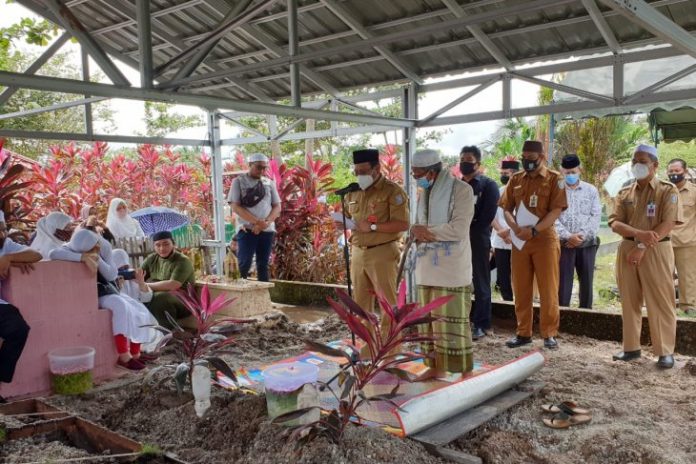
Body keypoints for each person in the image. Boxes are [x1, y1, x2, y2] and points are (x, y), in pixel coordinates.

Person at [609, 144, 682, 369]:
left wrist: (641, 245)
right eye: (634, 161)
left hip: (656, 250)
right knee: (629, 300)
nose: (636, 166)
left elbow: (668, 223)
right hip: (627, 250)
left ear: (654, 165)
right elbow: (615, 222)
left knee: (660, 300)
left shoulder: (667, 190)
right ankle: (631, 348)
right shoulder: (624, 192)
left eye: (642, 161)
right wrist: (637, 234)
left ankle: (665, 352)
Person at [50, 230, 154, 371]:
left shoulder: (103, 246)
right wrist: (82, 257)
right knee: (120, 305)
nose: (93, 250)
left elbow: (111, 274)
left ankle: (135, 354)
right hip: (86, 294)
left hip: (106, 290)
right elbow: (53, 254)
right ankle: (124, 356)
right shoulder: (71, 247)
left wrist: (97, 258)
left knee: (139, 309)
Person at [411, 149, 475, 376]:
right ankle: (435, 368)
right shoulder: (423, 193)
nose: (415, 178)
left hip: (451, 271)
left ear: (432, 171)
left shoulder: (462, 190)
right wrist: (416, 232)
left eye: (418, 174)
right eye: (413, 174)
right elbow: (418, 226)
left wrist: (425, 232)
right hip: (426, 268)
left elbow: (459, 229)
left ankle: (463, 371)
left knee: (452, 324)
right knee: (429, 324)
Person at [499, 140, 567, 350]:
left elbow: (556, 210)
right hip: (520, 239)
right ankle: (523, 332)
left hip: (544, 239)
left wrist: (535, 230)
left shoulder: (556, 179)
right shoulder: (516, 179)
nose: (527, 162)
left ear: (542, 157)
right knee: (520, 287)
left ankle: (549, 333)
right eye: (524, 158)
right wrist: (514, 227)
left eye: (531, 158)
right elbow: (506, 207)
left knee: (548, 288)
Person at [343, 148, 409, 315]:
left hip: (382, 252)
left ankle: (390, 341)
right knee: (360, 303)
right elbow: (347, 216)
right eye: (356, 172)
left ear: (377, 169)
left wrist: (373, 227)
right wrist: (342, 222)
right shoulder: (353, 192)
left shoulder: (392, 191)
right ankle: (366, 340)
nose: (359, 176)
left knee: (387, 303)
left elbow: (403, 224)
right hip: (358, 252)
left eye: (363, 171)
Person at [0, 212, 42, 402]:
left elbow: (36, 255)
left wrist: (10, 259)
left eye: (3, 229)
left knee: (19, 329)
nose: (2, 234)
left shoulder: (5, 245)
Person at [460, 145, 499, 340]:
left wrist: (466, 227)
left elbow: (487, 216)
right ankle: (461, 320)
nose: (464, 164)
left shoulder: (488, 185)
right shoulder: (456, 186)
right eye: (462, 160)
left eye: (468, 160)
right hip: (457, 240)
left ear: (478, 163)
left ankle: (482, 324)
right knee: (459, 281)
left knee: (481, 282)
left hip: (478, 239)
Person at [555, 154, 602, 309]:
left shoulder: (591, 190)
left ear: (579, 170)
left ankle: (587, 316)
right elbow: (552, 217)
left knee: (587, 282)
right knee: (563, 283)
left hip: (586, 244)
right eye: (567, 172)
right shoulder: (556, 190)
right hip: (564, 244)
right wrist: (568, 236)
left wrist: (580, 236)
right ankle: (562, 317)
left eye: (573, 172)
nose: (570, 175)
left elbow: (595, 216)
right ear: (561, 171)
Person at [227, 153, 281, 282]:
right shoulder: (238, 182)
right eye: (258, 167)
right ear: (250, 165)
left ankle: (263, 297)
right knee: (244, 263)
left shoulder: (269, 183)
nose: (262, 171)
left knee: (263, 265)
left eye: (264, 168)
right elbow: (235, 206)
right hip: (247, 230)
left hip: (266, 230)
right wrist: (257, 222)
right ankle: (239, 294)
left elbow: (277, 207)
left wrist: (265, 223)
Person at [141, 230, 195, 327]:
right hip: (159, 299)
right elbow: (139, 275)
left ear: (173, 244)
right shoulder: (151, 259)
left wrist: (145, 285)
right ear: (154, 247)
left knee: (160, 297)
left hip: (184, 302)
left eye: (166, 244)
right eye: (158, 245)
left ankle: (168, 334)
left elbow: (173, 285)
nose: (162, 248)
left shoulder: (182, 261)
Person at [667, 159, 696, 315]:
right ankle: (667, 307)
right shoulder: (663, 191)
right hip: (665, 242)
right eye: (670, 171)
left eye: (676, 171)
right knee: (664, 276)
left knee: (688, 277)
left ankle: (688, 307)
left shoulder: (693, 191)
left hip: (687, 242)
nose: (673, 174)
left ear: (684, 172)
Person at [491, 158, 520, 301]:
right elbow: (491, 215)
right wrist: (501, 231)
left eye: (505, 173)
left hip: (518, 239)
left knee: (519, 274)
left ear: (514, 174)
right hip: (500, 239)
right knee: (503, 276)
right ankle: (507, 302)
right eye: (501, 173)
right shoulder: (498, 191)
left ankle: (520, 303)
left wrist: (510, 231)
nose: (503, 175)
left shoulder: (523, 192)